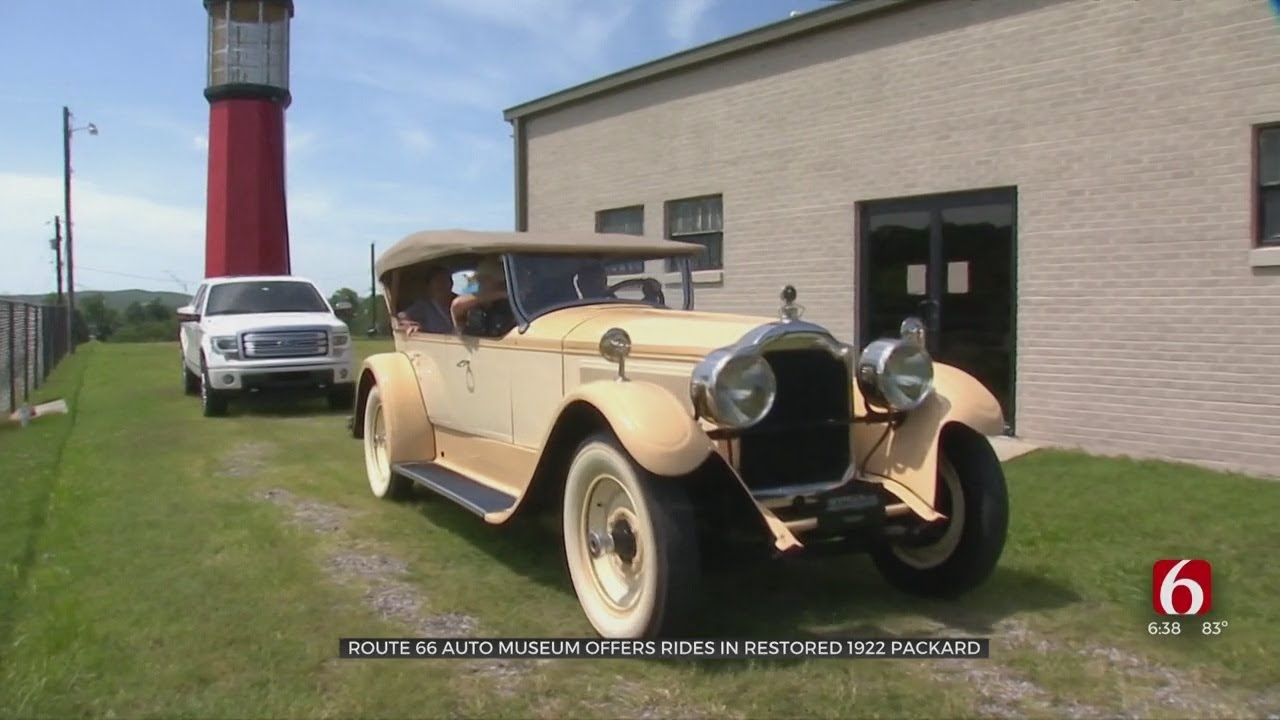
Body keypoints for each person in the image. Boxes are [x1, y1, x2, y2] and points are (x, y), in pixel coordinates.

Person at [450, 256, 515, 337]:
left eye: (486, 279)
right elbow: (457, 305)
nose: (480, 282)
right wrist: (502, 294)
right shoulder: (470, 305)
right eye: (480, 279)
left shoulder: (508, 306)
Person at [396, 265, 455, 334]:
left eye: (445, 280)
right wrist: (411, 325)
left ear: (451, 284)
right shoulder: (424, 306)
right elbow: (401, 317)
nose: (442, 284)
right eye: (437, 280)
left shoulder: (458, 301)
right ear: (429, 286)